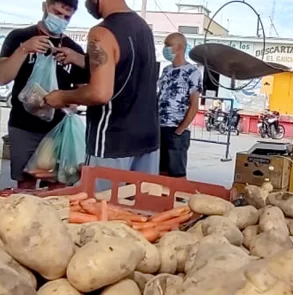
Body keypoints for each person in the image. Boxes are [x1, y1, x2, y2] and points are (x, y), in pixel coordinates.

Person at [43, 0, 159, 183]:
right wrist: (81, 59)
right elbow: (123, 67)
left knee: (100, 207)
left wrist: (62, 96)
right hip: (148, 139)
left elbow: (100, 93)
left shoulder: (102, 33)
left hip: (112, 140)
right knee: (140, 207)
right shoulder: (143, 27)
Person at [0, 0, 88, 189]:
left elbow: (82, 91)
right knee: (25, 184)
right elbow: (1, 78)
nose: (60, 19)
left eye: (66, 17)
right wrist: (24, 50)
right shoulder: (19, 37)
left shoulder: (73, 50)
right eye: (57, 12)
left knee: (57, 184)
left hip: (58, 130)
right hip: (23, 125)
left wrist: (70, 101)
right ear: (46, 6)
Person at [157, 32, 202, 178]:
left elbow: (194, 105)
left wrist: (180, 130)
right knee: (160, 171)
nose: (165, 49)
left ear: (181, 47)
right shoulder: (166, 70)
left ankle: (179, 200)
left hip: (176, 129)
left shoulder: (192, 72)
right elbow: (160, 95)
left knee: (176, 174)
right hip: (159, 127)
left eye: (168, 45)